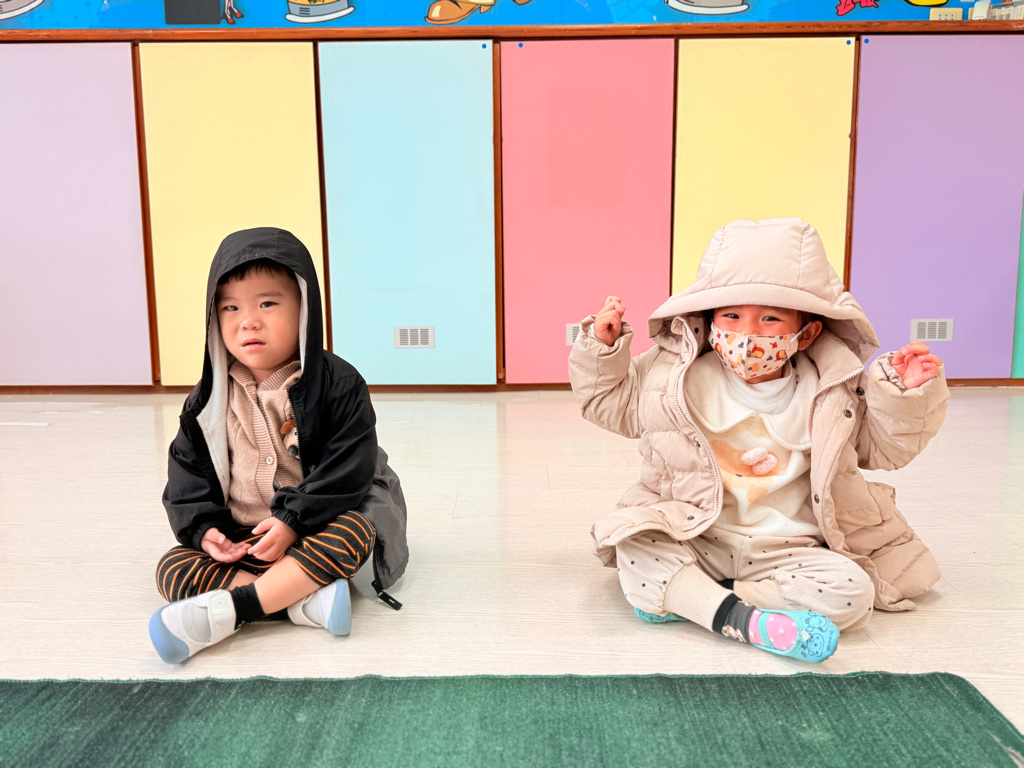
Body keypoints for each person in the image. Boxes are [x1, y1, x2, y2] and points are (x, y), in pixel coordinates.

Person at [568, 217, 947, 663]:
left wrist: (901, 397)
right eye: (731, 316)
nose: (748, 333)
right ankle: (744, 617)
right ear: (709, 322)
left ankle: (700, 600)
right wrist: (602, 351)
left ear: (807, 333)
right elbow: (610, 403)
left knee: (854, 593)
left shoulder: (833, 388)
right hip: (698, 532)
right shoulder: (674, 376)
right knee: (633, 541)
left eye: (769, 319)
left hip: (790, 548)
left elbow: (883, 448)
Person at [149, 227, 408, 664]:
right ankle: (299, 601)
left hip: (312, 530)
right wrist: (205, 530)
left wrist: (292, 521)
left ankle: (237, 608)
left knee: (357, 530)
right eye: (231, 307)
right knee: (172, 566)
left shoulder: (338, 385)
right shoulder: (206, 400)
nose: (248, 321)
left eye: (267, 304)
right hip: (243, 542)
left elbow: (349, 469)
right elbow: (185, 476)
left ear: (304, 308)